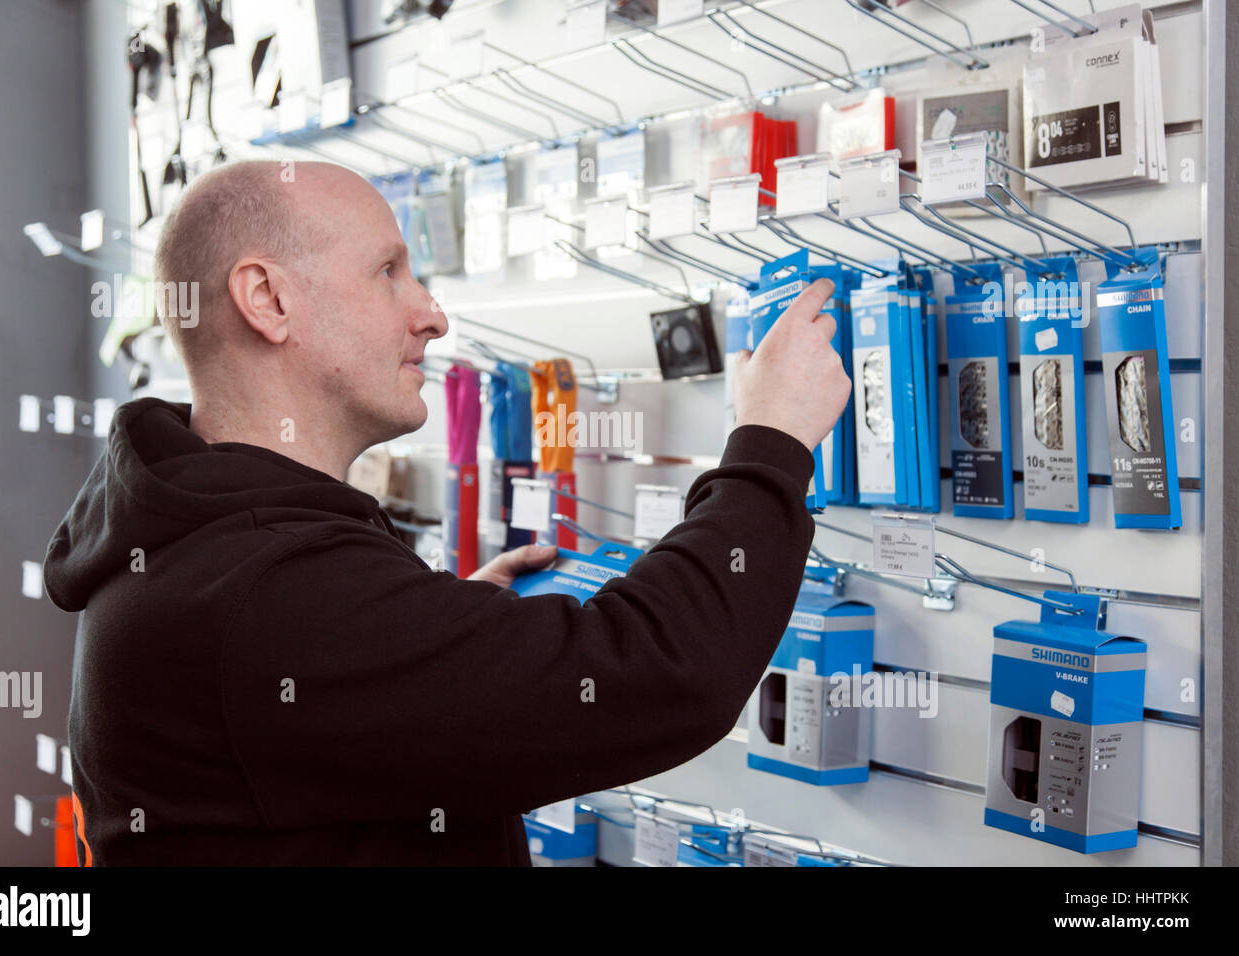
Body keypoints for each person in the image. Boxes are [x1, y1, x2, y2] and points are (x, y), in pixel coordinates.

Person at [43, 161, 851, 865]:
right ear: (267, 299)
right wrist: (771, 443)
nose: (430, 313)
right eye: (388, 272)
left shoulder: (203, 540)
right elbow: (661, 674)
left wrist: (443, 642)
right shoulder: (263, 594)